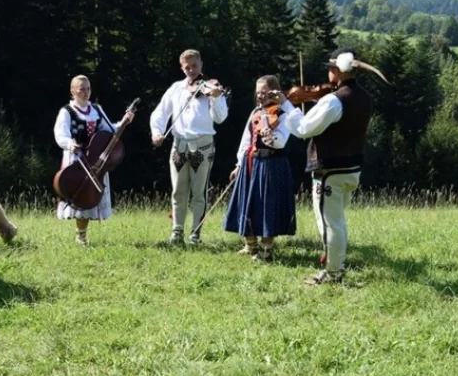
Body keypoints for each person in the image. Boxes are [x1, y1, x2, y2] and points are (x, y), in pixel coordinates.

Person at [284, 48, 380, 285]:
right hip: (352, 168)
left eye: (330, 68)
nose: (328, 72)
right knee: (337, 221)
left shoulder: (334, 100)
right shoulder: (365, 97)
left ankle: (333, 272)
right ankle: (337, 266)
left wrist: (288, 107)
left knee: (329, 223)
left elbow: (305, 129)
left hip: (331, 171)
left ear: (337, 71)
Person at [150, 49, 229, 245]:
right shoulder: (176, 88)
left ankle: (195, 234)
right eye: (187, 67)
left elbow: (220, 118)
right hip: (179, 144)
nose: (192, 70)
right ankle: (177, 232)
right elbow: (160, 113)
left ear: (201, 64)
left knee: (199, 191)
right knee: (178, 190)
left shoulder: (211, 87)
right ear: (182, 68)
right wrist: (157, 132)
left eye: (194, 66)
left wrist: (216, 97)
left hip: (202, 145)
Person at [223, 75, 297, 263]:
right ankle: (250, 245)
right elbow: (246, 140)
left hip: (272, 165)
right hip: (252, 163)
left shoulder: (284, 114)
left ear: (274, 92)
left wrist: (269, 135)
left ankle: (266, 251)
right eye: (258, 93)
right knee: (247, 203)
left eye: (263, 93)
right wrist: (239, 165)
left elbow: (280, 142)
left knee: (267, 206)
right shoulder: (256, 111)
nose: (260, 97)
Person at [54, 75, 134, 246]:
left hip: (96, 161)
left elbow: (110, 129)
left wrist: (124, 122)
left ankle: (82, 235)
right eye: (81, 88)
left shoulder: (96, 109)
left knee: (91, 193)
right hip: (77, 159)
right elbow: (61, 134)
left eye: (88, 88)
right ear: (72, 91)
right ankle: (80, 235)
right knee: (80, 193)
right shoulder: (67, 112)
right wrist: (70, 143)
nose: (85, 92)